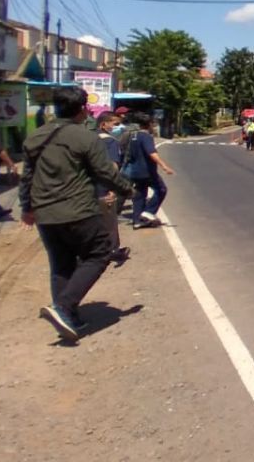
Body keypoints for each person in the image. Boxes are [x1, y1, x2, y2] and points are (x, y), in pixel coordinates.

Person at [20, 87, 135, 342]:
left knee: (61, 263)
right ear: (83, 109)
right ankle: (63, 307)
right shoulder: (85, 138)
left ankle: (68, 315)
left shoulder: (35, 136)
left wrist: (26, 208)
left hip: (45, 214)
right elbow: (105, 172)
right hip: (77, 210)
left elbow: (27, 176)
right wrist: (129, 190)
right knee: (100, 252)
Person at [122, 113, 176, 228]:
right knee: (161, 189)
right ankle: (148, 212)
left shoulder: (133, 136)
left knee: (140, 193)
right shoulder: (146, 137)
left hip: (135, 171)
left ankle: (137, 220)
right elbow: (152, 153)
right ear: (150, 124)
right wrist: (164, 166)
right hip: (147, 171)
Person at [94, 112, 130, 266]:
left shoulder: (88, 138)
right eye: (114, 124)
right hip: (103, 185)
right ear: (103, 124)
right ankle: (112, 250)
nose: (118, 127)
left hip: (85, 186)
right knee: (109, 219)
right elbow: (113, 166)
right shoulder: (110, 141)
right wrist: (113, 188)